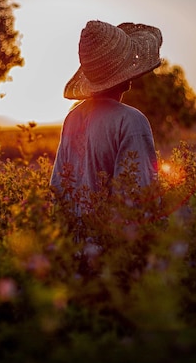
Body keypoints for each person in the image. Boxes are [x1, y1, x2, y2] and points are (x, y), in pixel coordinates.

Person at [50, 19, 163, 223]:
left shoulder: (72, 118)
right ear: (128, 77)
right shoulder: (132, 121)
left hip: (73, 247)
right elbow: (139, 200)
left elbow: (58, 191)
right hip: (112, 248)